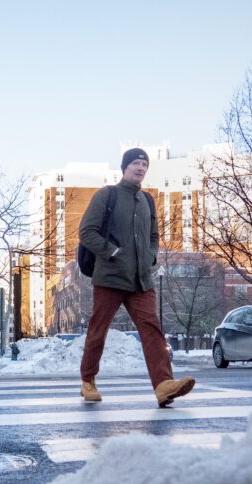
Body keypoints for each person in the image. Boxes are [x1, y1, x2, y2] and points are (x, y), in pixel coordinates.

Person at [78, 148, 195, 407]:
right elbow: (87, 232)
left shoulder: (148, 201)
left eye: (144, 164)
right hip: (110, 277)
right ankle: (87, 380)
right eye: (135, 163)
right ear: (124, 167)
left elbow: (153, 236)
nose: (140, 168)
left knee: (152, 329)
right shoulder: (106, 195)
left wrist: (151, 256)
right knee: (98, 331)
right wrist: (113, 252)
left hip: (141, 279)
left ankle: (164, 385)